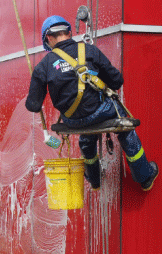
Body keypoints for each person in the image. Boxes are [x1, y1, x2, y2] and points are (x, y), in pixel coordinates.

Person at [25, 15, 158, 191]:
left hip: (72, 120)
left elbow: (33, 106)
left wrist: (38, 82)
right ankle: (144, 176)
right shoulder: (90, 51)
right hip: (100, 111)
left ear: (48, 39)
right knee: (124, 126)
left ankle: (94, 180)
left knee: (86, 134)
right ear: (69, 32)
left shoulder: (44, 65)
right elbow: (117, 81)